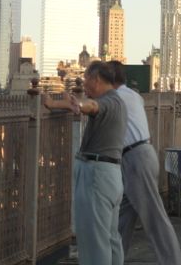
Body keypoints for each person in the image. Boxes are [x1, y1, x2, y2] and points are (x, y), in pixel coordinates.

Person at [44, 60, 126, 265]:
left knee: (93, 242)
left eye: (86, 79)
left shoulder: (106, 102)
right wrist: (57, 104)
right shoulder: (117, 101)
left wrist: (78, 104)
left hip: (96, 175)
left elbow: (90, 106)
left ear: (96, 79)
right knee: (110, 238)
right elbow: (83, 105)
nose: (84, 84)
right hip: (111, 174)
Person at [107, 61, 181, 264]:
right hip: (139, 155)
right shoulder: (133, 95)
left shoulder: (116, 97)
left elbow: (94, 107)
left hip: (134, 158)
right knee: (122, 215)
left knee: (154, 217)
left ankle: (171, 261)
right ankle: (112, 258)